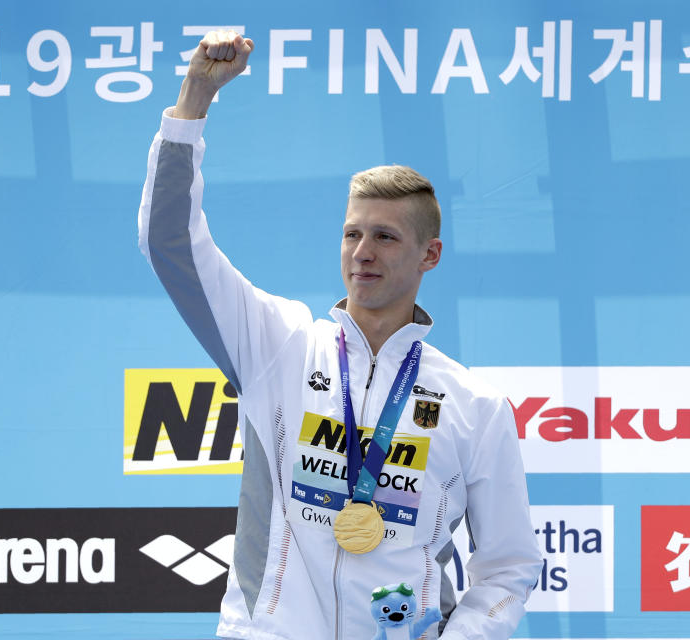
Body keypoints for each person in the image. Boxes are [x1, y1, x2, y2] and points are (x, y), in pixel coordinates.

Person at [139, 29, 541, 640]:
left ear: (429, 255)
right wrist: (194, 99)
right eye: (352, 234)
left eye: (385, 237)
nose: (362, 253)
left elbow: (508, 567)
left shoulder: (476, 407)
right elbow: (170, 242)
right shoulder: (278, 344)